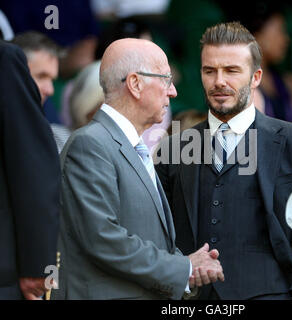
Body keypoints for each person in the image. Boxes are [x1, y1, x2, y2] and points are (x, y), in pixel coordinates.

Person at [155, 22, 292, 300]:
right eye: (210, 71)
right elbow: (158, 231)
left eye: (231, 70)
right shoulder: (173, 148)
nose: (219, 81)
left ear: (256, 77)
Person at [51, 38, 224, 300]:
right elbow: (103, 239)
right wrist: (185, 267)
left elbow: (147, 238)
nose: (173, 91)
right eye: (166, 79)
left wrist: (186, 266)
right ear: (135, 83)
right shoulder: (90, 144)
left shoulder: (129, 146)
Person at [0, 40, 60, 300]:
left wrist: (38, 268)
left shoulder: (3, 60)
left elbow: (32, 171)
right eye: (41, 76)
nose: (49, 89)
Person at [12, 31, 72, 153]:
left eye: (51, 80)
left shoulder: (60, 138)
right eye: (41, 76)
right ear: (12, 74)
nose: (50, 90)